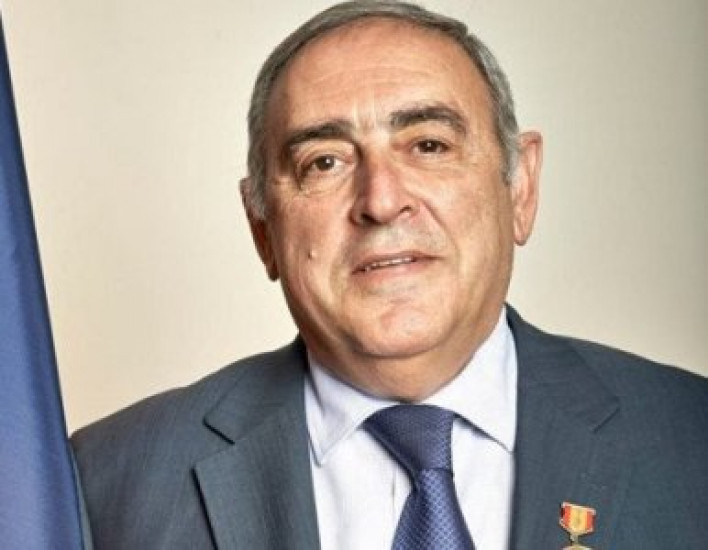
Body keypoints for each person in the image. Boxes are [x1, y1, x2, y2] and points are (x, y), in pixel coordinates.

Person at [72, 1, 707, 548]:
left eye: (429, 145)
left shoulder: (691, 439)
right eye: (324, 162)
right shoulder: (100, 486)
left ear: (521, 186)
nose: (381, 201)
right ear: (262, 227)